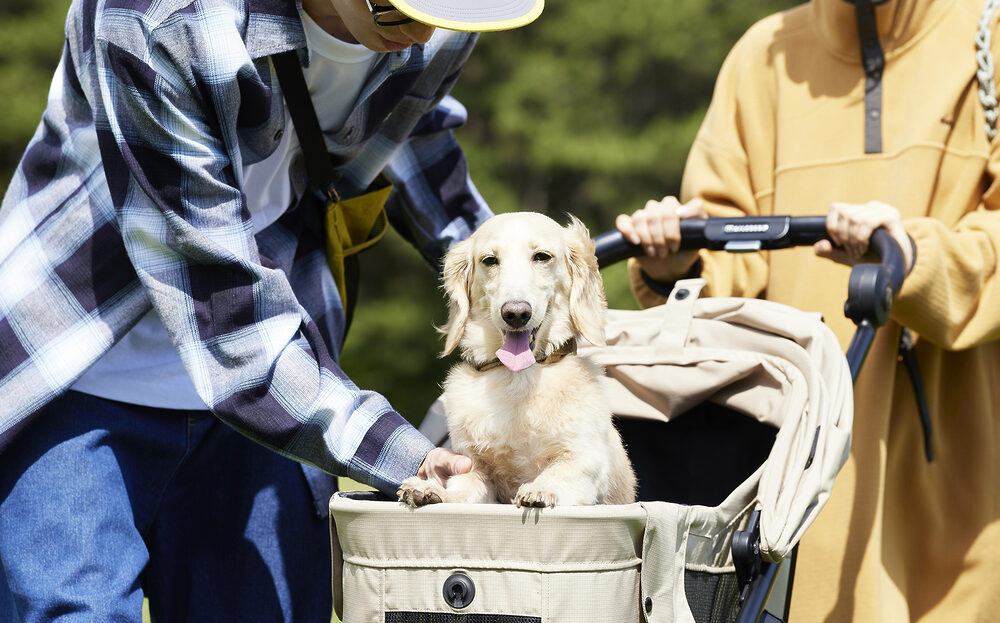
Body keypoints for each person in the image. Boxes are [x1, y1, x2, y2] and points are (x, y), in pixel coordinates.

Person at [0, 0, 542, 620]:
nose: (423, 33)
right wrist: (402, 455)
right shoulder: (157, 18)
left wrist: (534, 283)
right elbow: (225, 315)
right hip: (79, 373)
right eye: (398, 9)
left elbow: (410, 133)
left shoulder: (445, 25)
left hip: (273, 410)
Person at [616, 0, 1000, 621]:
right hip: (786, 496)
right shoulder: (762, 56)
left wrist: (914, 258)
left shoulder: (989, 37)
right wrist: (678, 266)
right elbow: (729, 280)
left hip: (953, 488)